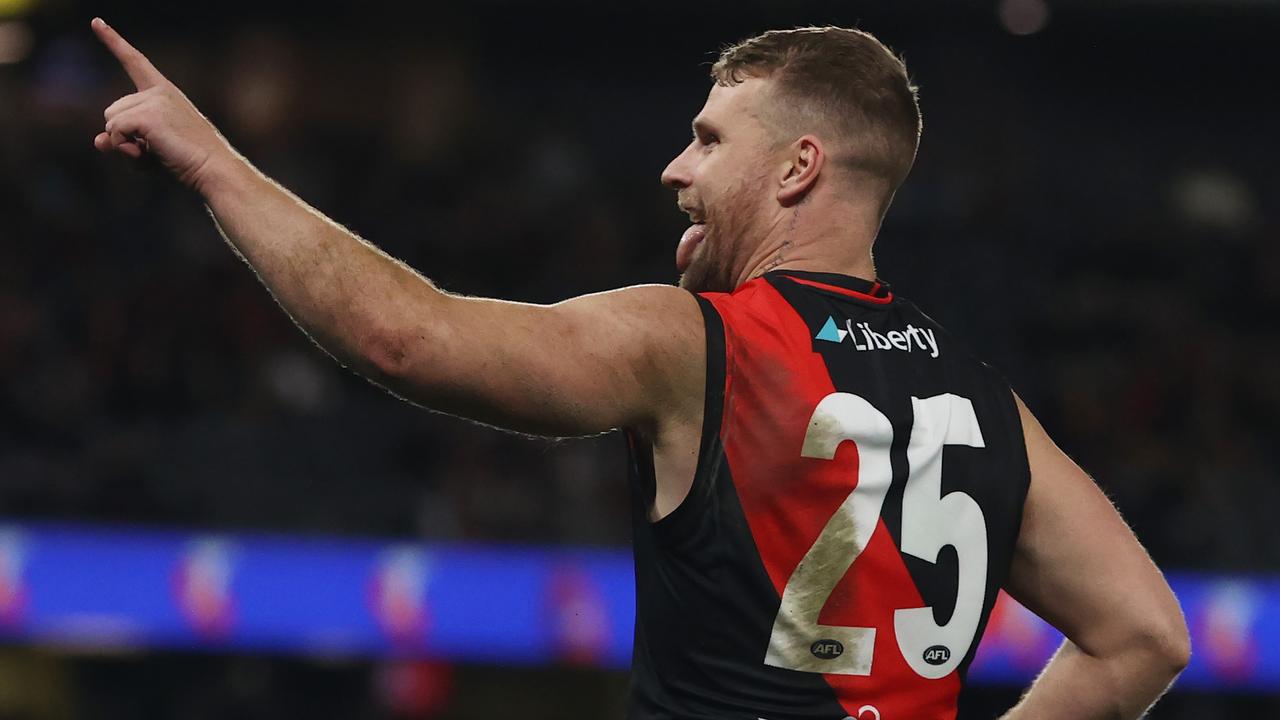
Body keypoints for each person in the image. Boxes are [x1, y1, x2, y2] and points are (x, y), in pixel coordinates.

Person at [90, 18, 1189, 720]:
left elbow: (405, 339)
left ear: (798, 167)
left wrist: (216, 165)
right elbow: (1144, 634)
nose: (674, 168)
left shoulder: (695, 341)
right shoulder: (983, 399)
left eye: (710, 140)